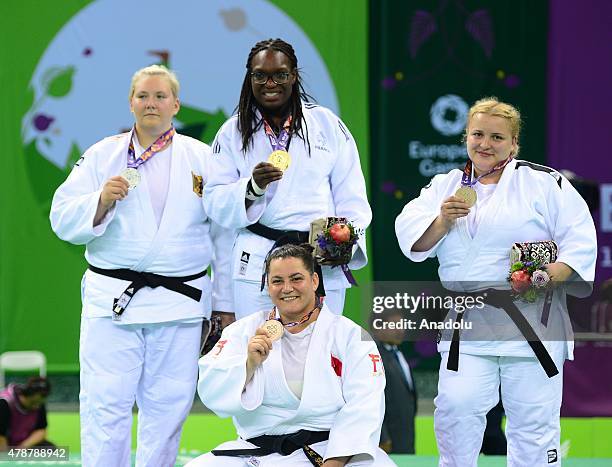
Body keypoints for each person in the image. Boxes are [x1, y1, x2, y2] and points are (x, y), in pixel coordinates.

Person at [395, 97, 597, 466]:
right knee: (456, 411)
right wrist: (442, 221)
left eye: (496, 137)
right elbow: (412, 242)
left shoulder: (542, 182)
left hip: (532, 319)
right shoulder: (445, 185)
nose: (485, 144)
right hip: (468, 323)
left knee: (532, 422)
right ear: (465, 137)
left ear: (514, 143)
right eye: (477, 134)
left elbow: (579, 239)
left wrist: (548, 275)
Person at [50, 65, 232, 467]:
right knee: (103, 404)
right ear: (131, 103)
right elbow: (61, 217)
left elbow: (224, 235)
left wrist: (223, 303)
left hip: (180, 302)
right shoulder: (103, 154)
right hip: (112, 300)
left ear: (176, 105)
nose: (152, 103)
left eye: (160, 96)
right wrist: (99, 200)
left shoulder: (203, 158)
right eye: (144, 96)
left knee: (168, 406)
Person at [204, 38, 372, 319]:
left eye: (280, 75)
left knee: (320, 353)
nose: (270, 84)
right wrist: (251, 188)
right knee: (260, 350)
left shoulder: (327, 125)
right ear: (250, 77)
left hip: (319, 257)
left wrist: (344, 244)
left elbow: (352, 197)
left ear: (294, 76)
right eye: (260, 75)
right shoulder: (233, 131)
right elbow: (214, 200)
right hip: (258, 258)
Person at [187, 244, 394, 466]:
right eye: (277, 281)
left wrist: (335, 461)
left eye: (296, 278)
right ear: (268, 285)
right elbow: (210, 390)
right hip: (257, 452)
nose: (287, 288)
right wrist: (248, 365)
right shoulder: (244, 331)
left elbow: (365, 403)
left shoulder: (350, 335)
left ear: (314, 281)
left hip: (327, 449)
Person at [372, 310, 417, 454]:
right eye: (394, 325)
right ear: (377, 328)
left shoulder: (399, 354)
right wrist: (382, 437)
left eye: (402, 325)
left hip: (405, 438)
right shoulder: (374, 357)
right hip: (387, 441)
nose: (400, 330)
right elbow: (373, 400)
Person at [0, 377, 54, 450]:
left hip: (21, 444)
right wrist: (6, 457)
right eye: (33, 403)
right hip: (3, 442)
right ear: (29, 393)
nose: (36, 406)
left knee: (51, 450)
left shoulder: (39, 404)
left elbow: (41, 430)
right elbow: (1, 436)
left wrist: (21, 449)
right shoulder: (5, 402)